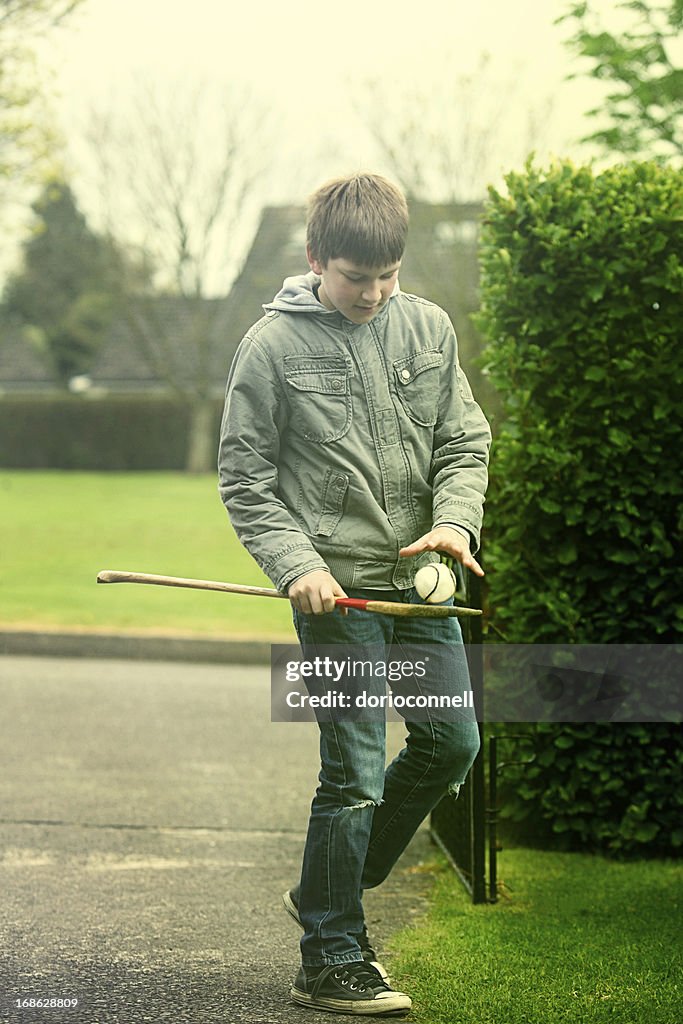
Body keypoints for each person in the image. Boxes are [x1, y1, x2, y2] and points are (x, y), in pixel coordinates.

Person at [218, 173, 491, 1017]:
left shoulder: (429, 328)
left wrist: (454, 524)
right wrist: (297, 563)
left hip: (418, 594)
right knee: (356, 773)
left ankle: (325, 886)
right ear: (314, 260)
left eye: (388, 276)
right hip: (335, 602)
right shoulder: (270, 347)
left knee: (452, 746)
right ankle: (330, 955)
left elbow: (464, 439)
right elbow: (246, 477)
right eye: (353, 278)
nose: (372, 295)